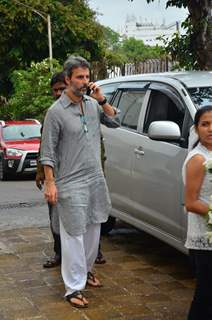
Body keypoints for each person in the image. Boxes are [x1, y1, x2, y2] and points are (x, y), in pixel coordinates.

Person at [40, 56, 117, 308]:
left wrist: (102, 98)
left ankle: (85, 271)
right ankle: (72, 288)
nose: (84, 82)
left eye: (87, 77)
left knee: (94, 231)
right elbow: (48, 151)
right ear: (67, 79)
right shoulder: (56, 112)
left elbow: (115, 120)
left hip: (95, 178)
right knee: (74, 235)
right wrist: (50, 182)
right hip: (69, 182)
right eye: (79, 77)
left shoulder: (93, 105)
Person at [182, 105, 212, 320]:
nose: (210, 129)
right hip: (204, 238)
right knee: (205, 295)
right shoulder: (198, 159)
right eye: (205, 124)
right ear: (196, 128)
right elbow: (191, 203)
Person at [36, 71, 66, 268]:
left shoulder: (86, 109)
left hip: (78, 173)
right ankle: (59, 253)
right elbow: (44, 146)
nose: (57, 93)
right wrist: (42, 173)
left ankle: (93, 253)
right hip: (55, 174)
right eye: (54, 90)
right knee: (55, 216)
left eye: (61, 89)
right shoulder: (51, 113)